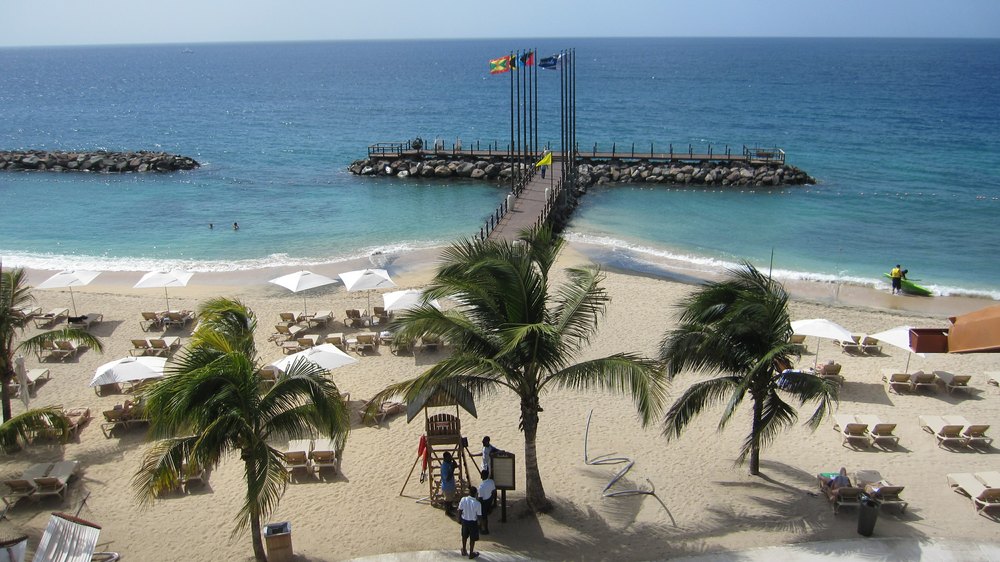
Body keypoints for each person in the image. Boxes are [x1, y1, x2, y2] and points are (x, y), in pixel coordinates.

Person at [458, 485, 482, 559]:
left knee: (464, 536)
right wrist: (479, 524)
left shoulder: (463, 499)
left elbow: (460, 510)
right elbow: (479, 516)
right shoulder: (478, 504)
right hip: (473, 523)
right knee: (472, 538)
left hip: (465, 521)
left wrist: (459, 519)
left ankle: (464, 550)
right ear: (475, 494)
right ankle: (471, 553)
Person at [477, 469, 496, 534]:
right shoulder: (491, 482)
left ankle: (485, 529)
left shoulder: (481, 487)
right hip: (489, 500)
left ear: (481, 476)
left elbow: (480, 498)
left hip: (483, 502)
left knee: (483, 517)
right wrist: (491, 500)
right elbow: (493, 492)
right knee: (485, 516)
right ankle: (482, 527)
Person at [440, 452, 457, 516]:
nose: (450, 458)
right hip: (447, 487)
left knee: (450, 498)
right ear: (445, 458)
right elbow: (447, 478)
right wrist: (452, 469)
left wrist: (453, 461)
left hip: (451, 485)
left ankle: (451, 507)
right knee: (447, 500)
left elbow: (455, 465)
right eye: (449, 457)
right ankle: (447, 512)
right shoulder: (444, 467)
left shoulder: (449, 463)